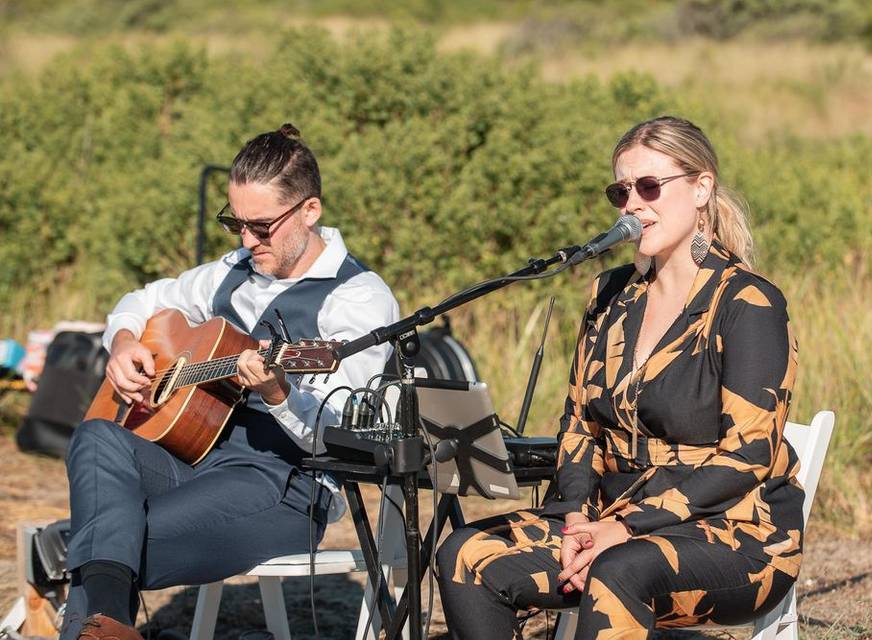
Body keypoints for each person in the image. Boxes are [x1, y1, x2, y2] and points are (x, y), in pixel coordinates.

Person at [437, 116, 803, 639]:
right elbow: (579, 425)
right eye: (621, 190)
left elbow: (748, 455)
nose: (633, 204)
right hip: (615, 519)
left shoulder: (748, 302)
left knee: (621, 568)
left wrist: (624, 528)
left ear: (702, 189)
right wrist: (577, 519)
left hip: (739, 533)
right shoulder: (609, 295)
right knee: (467, 552)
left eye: (650, 186)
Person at [60, 124, 399, 640]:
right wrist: (125, 342)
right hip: (198, 456)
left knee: (108, 539)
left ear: (310, 211)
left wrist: (278, 392)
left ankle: (88, 616)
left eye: (261, 227)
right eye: (235, 223)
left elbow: (343, 439)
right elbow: (145, 299)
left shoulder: (357, 299)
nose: (247, 240)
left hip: (285, 483)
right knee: (97, 436)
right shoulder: (233, 269)